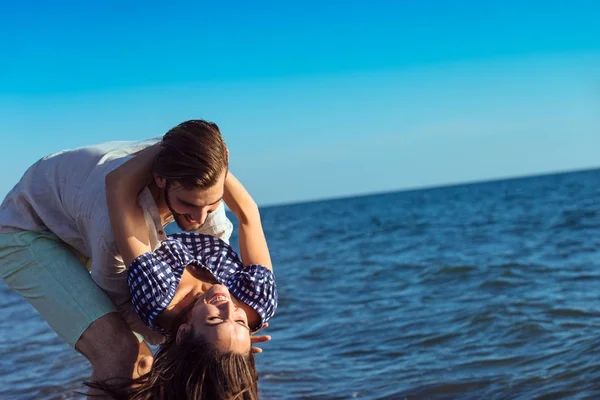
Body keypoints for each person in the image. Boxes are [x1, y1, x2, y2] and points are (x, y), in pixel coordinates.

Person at [0, 120, 234, 396]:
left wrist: (232, 331)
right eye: (187, 205)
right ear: (161, 179)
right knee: (126, 357)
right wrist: (191, 334)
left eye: (212, 204)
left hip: (75, 223)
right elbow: (121, 301)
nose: (199, 218)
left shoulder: (200, 172)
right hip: (26, 232)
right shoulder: (111, 222)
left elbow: (216, 264)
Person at [88, 144, 277, 398]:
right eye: (240, 322)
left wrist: (169, 145)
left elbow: (119, 187)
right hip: (208, 236)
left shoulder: (159, 297)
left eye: (215, 318)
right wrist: (214, 163)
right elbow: (248, 216)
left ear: (184, 332)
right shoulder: (257, 300)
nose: (228, 308)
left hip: (139, 239)